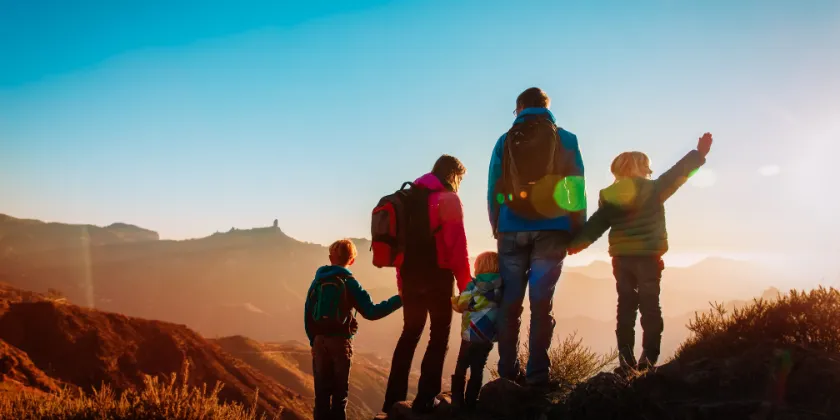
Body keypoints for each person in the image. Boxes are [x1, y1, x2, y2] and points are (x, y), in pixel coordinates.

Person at [568, 133, 714, 372]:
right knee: (650, 306)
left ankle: (626, 361)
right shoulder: (654, 189)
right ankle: (648, 358)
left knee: (625, 307)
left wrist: (574, 245)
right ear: (642, 167)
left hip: (622, 260)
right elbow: (678, 173)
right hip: (648, 258)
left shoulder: (609, 195)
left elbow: (597, 223)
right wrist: (699, 154)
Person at [487, 87, 587, 386]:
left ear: (519, 109)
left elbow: (494, 186)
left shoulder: (505, 140)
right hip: (553, 229)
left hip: (510, 228)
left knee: (510, 305)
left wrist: (497, 224)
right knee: (541, 305)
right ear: (547, 107)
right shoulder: (567, 139)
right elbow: (575, 187)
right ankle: (537, 375)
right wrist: (576, 229)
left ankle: (507, 373)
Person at [383, 155, 472, 414]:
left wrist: (401, 283)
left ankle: (392, 401)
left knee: (409, 334)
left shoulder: (408, 198)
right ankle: (425, 400)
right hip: (438, 277)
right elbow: (458, 249)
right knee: (439, 335)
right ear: (453, 175)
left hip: (410, 277)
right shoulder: (449, 200)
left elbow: (400, 248)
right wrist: (467, 287)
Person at [305, 239, 402, 420]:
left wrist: (313, 341)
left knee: (321, 398)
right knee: (339, 398)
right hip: (341, 343)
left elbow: (308, 314)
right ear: (352, 260)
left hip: (319, 342)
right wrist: (399, 299)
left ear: (330, 257)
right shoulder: (349, 282)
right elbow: (372, 311)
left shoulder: (318, 281)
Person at [450, 251, 503, 412]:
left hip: (470, 335)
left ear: (478, 266)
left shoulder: (472, 286)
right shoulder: (501, 287)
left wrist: (452, 299)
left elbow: (461, 304)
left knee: (461, 367)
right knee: (478, 369)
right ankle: (471, 403)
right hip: (487, 336)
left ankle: (457, 403)